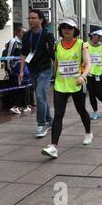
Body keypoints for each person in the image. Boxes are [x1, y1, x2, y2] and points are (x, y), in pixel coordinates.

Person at [41, 19, 92, 159]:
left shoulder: (81, 44)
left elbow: (88, 64)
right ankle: (53, 147)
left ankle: (88, 132)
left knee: (81, 110)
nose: (66, 30)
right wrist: (53, 77)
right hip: (60, 85)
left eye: (69, 27)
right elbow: (56, 63)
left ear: (75, 30)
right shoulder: (57, 45)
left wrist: (83, 76)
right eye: (63, 27)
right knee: (58, 115)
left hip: (77, 84)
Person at [20, 10, 55, 138]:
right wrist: (21, 72)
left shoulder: (47, 35)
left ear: (41, 20)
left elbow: (53, 56)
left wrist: (56, 72)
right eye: (29, 18)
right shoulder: (26, 35)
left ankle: (41, 125)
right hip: (33, 70)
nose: (30, 20)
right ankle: (50, 120)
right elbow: (24, 53)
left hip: (45, 70)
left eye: (33, 18)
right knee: (41, 96)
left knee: (40, 96)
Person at [8, 27, 32, 114]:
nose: (25, 35)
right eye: (23, 33)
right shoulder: (13, 42)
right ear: (18, 33)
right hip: (16, 69)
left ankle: (23, 105)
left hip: (24, 69)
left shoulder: (25, 42)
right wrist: (9, 69)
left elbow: (28, 55)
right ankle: (15, 106)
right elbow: (9, 56)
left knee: (24, 88)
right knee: (18, 88)